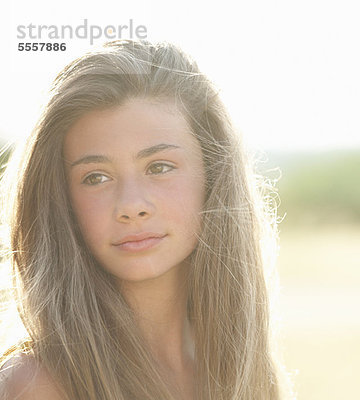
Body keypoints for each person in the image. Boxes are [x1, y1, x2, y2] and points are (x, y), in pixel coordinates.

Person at [0, 40, 285, 400]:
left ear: (213, 177)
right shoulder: (36, 385)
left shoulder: (244, 368)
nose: (131, 206)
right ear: (62, 201)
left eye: (159, 167)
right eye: (96, 177)